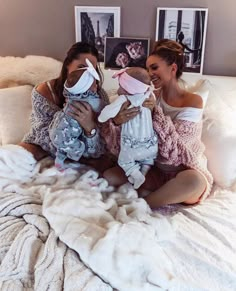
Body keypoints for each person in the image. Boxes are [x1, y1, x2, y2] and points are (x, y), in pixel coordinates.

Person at [101, 39, 213, 208]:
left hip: (183, 171)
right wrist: (118, 122)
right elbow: (124, 140)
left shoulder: (193, 101)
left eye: (154, 67)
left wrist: (155, 113)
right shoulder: (145, 95)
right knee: (110, 176)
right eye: (147, 68)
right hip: (153, 169)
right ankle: (158, 193)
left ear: (173, 68)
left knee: (194, 182)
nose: (149, 73)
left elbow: (175, 153)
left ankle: (144, 205)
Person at [20, 42, 112, 172]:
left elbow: (104, 140)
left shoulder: (99, 95)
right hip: (46, 145)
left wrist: (89, 127)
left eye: (92, 69)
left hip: (86, 150)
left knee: (106, 163)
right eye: (81, 67)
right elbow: (44, 135)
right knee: (18, 155)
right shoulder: (44, 91)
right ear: (68, 65)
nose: (87, 74)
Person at [98, 67, 158, 189]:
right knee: (147, 160)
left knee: (124, 161)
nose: (118, 90)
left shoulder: (124, 99)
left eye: (121, 86)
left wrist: (104, 117)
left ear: (129, 88)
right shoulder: (149, 96)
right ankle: (144, 170)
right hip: (151, 147)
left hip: (133, 149)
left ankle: (137, 175)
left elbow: (103, 116)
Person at [49, 58, 105, 170]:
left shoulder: (70, 97)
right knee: (78, 148)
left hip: (56, 133)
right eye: (94, 84)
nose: (97, 86)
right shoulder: (92, 101)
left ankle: (59, 160)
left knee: (63, 147)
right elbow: (103, 110)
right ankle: (77, 161)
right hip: (69, 136)